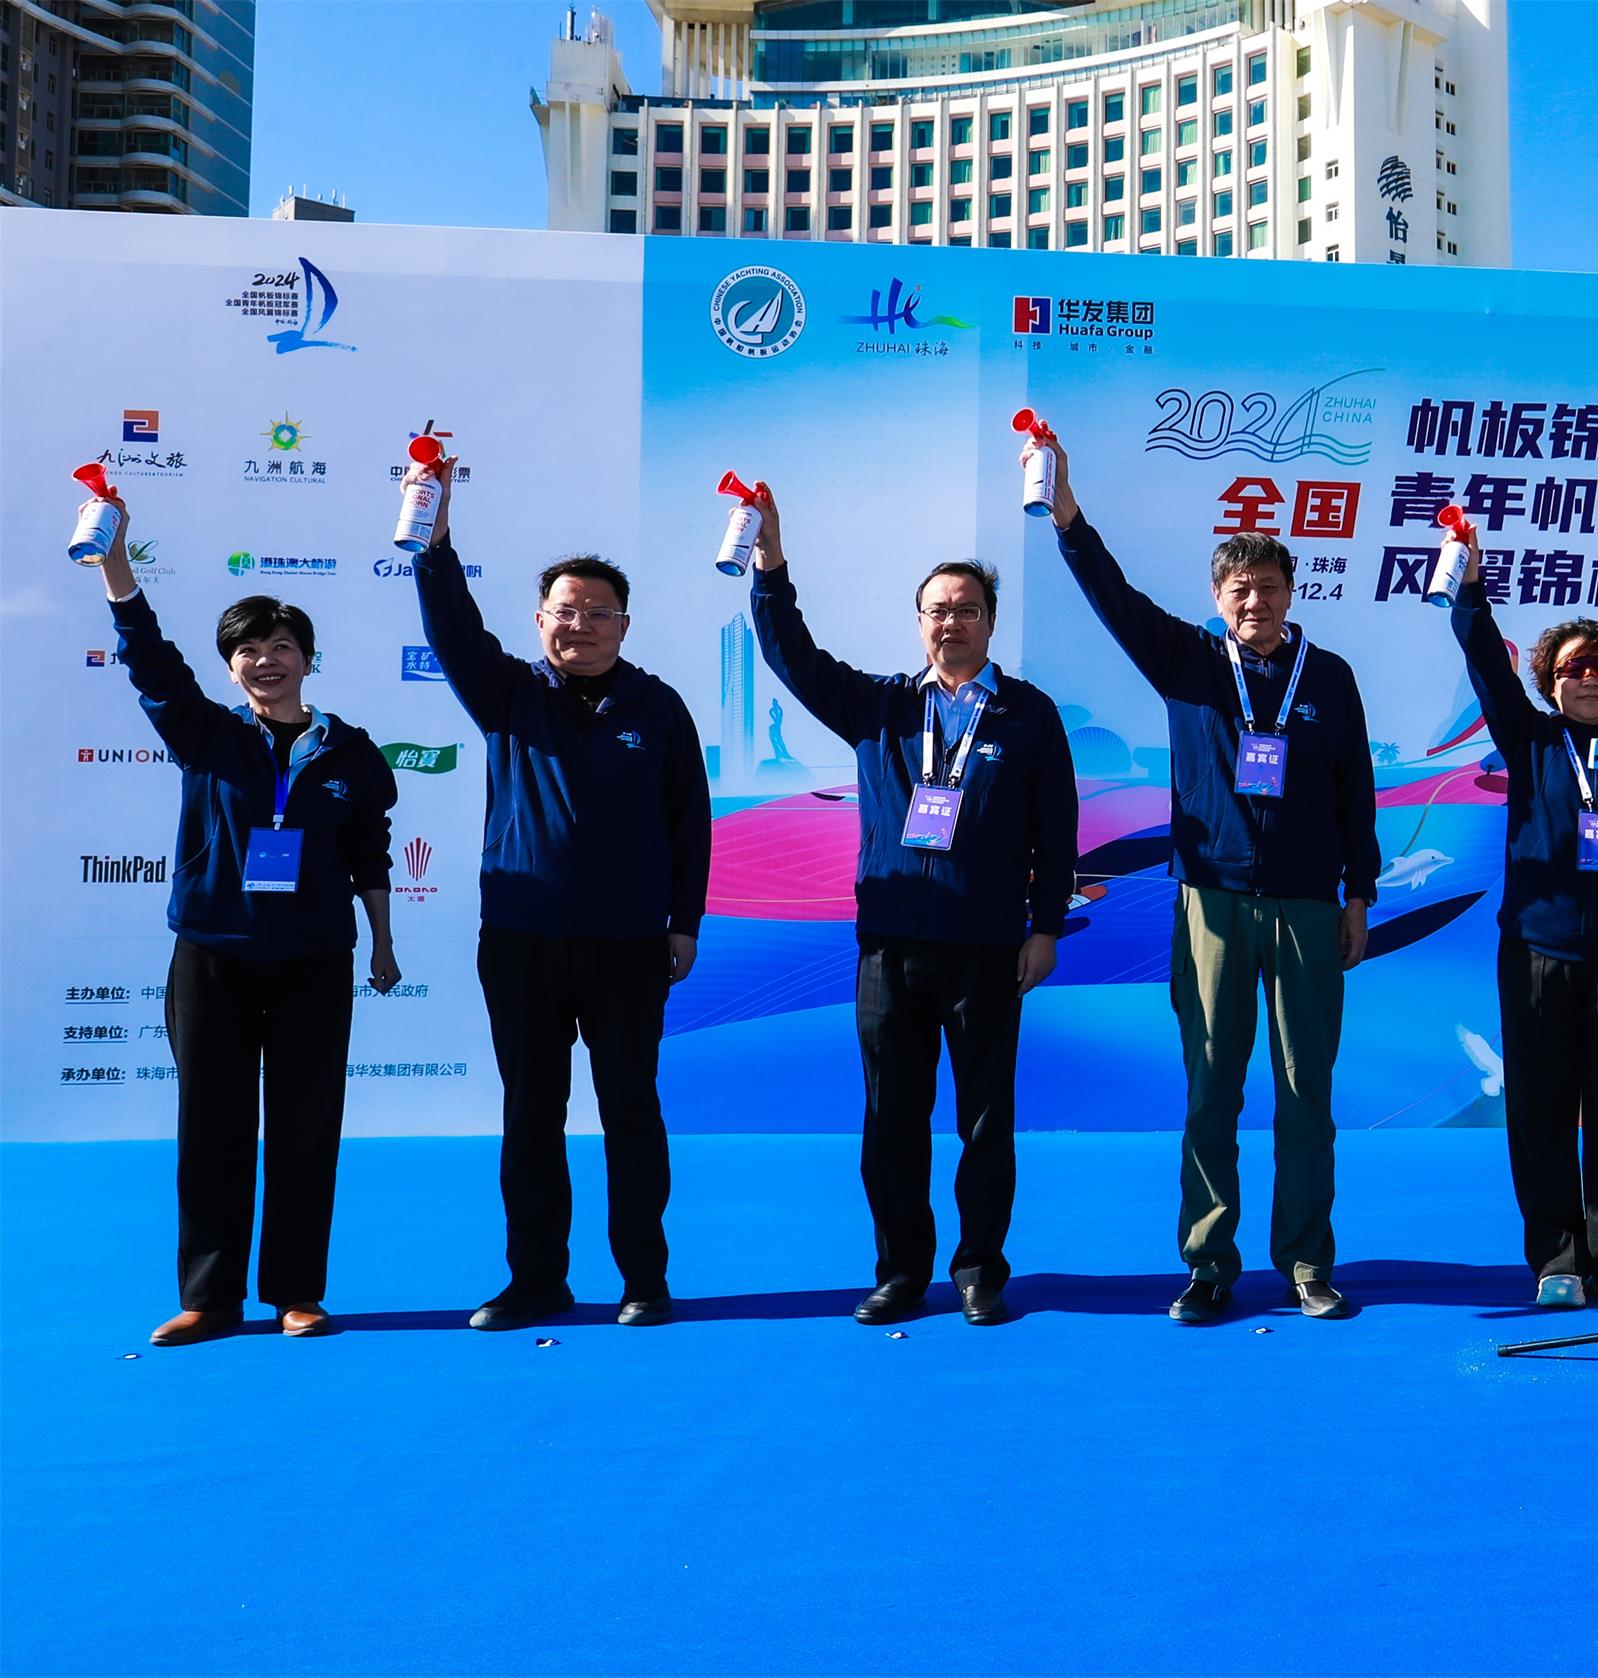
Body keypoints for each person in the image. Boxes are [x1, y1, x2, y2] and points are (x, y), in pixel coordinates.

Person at [1038, 429, 1379, 1325]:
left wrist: (1358, 894)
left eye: (1268, 586)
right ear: (1217, 598)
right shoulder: (1188, 662)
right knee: (1211, 1089)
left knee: (1306, 1093)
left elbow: (1356, 791)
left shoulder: (1330, 677)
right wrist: (1066, 514)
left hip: (1308, 905)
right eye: (1239, 589)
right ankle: (1209, 1263)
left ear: (1292, 592)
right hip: (1212, 904)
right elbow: (1112, 596)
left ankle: (1306, 1260)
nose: (1254, 601)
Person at [745, 484, 1078, 1325]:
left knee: (984, 1121)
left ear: (990, 621)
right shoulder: (882, 706)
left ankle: (979, 1271)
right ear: (918, 621)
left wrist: (1043, 929)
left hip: (988, 946)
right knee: (891, 1118)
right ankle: (899, 1271)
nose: (950, 623)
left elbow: (1057, 832)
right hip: (890, 949)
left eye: (967, 610)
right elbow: (792, 657)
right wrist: (769, 565)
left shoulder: (1029, 714)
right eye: (937, 611)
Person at [407, 450, 711, 1329]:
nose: (579, 626)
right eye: (563, 612)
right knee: (531, 1115)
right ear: (540, 620)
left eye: (596, 613)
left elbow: (690, 821)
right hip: (522, 940)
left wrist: (684, 923)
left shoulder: (658, 706)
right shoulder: (507, 691)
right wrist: (434, 533)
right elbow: (451, 626)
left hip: (629, 944)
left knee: (631, 1111)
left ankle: (644, 1278)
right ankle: (536, 1279)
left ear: (624, 624)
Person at [88, 494, 401, 1347]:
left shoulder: (352, 753)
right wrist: (116, 564)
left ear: (308, 659)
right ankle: (210, 1298)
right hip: (212, 956)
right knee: (211, 1127)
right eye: (248, 651)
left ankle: (297, 1292)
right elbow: (150, 661)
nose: (266, 661)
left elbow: (369, 851)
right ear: (230, 669)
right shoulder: (206, 734)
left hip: (313, 959)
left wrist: (381, 940)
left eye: (282, 647)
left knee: (306, 1127)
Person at [1447, 538, 1598, 1309]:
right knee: (1539, 1109)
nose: (1589, 678)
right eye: (1573, 668)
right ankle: (1556, 1256)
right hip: (1535, 954)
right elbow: (1484, 663)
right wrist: (1470, 590)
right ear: (1549, 682)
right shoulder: (1530, 741)